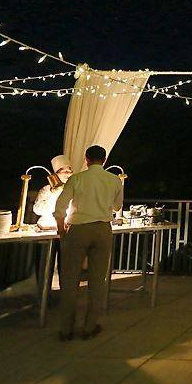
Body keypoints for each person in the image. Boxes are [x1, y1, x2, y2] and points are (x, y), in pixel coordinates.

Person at [53, 145, 124, 341]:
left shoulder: (77, 179)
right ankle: (90, 326)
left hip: (78, 228)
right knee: (97, 279)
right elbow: (117, 206)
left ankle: (66, 329)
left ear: (86, 159)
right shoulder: (114, 180)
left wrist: (61, 229)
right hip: (102, 229)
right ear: (104, 160)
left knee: (70, 279)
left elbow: (60, 207)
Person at [32, 155, 74, 230]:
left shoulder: (74, 189)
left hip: (69, 225)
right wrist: (53, 194)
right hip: (48, 225)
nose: (67, 174)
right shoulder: (47, 190)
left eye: (70, 171)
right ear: (56, 174)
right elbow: (37, 209)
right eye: (64, 171)